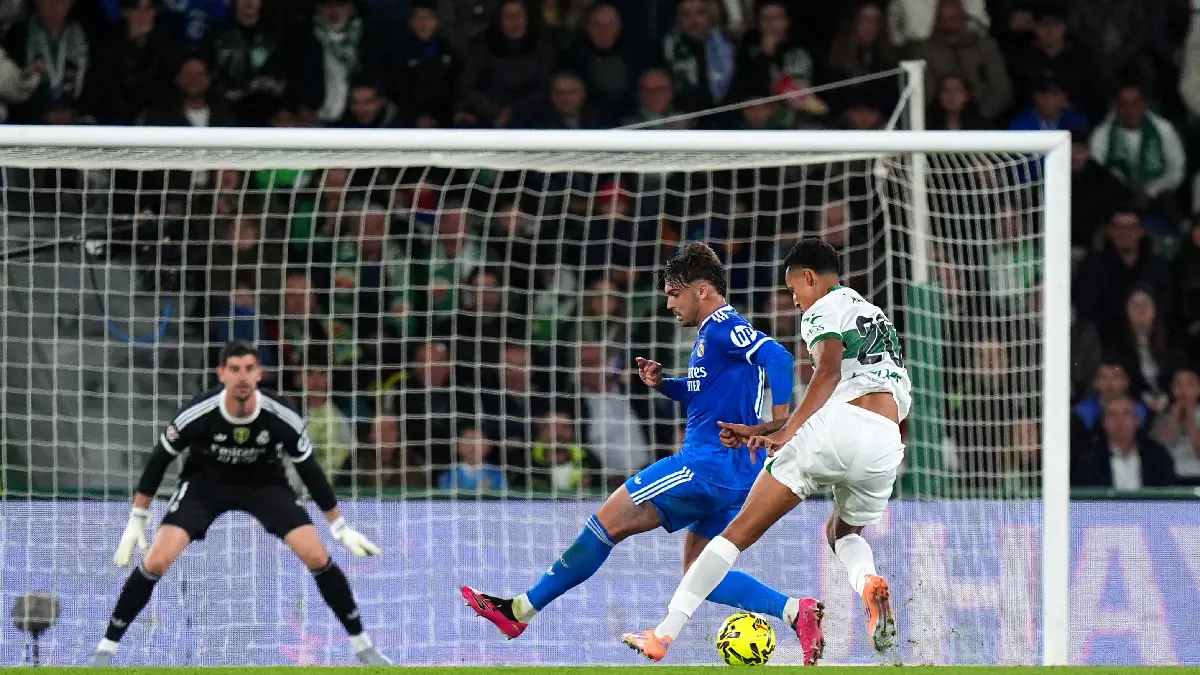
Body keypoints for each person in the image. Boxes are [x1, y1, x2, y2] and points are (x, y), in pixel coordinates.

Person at [460, 243, 825, 664]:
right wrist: (665, 383)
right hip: (735, 475)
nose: (669, 303)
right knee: (699, 574)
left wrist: (779, 422)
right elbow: (705, 392)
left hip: (703, 465)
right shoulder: (711, 336)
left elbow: (778, 357)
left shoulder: (724, 325)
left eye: (674, 293)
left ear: (702, 290)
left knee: (604, 524)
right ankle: (797, 612)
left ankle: (520, 610)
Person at [623, 239, 911, 661]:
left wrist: (786, 431)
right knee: (842, 534)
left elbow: (827, 372)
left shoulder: (821, 310)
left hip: (833, 431)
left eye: (794, 289)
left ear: (809, 277)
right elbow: (848, 388)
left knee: (734, 535)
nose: (795, 301)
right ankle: (868, 582)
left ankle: (663, 634)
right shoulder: (874, 316)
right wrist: (760, 429)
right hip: (885, 441)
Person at [91, 340, 389, 666]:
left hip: (265, 485)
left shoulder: (281, 415)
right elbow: (159, 460)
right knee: (157, 560)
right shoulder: (199, 411)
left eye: (249, 368)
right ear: (222, 374)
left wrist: (339, 525)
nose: (242, 377)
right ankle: (106, 648)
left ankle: (363, 646)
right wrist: (137, 518)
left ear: (259, 373)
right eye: (234, 369)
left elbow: (310, 471)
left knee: (316, 554)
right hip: (205, 484)